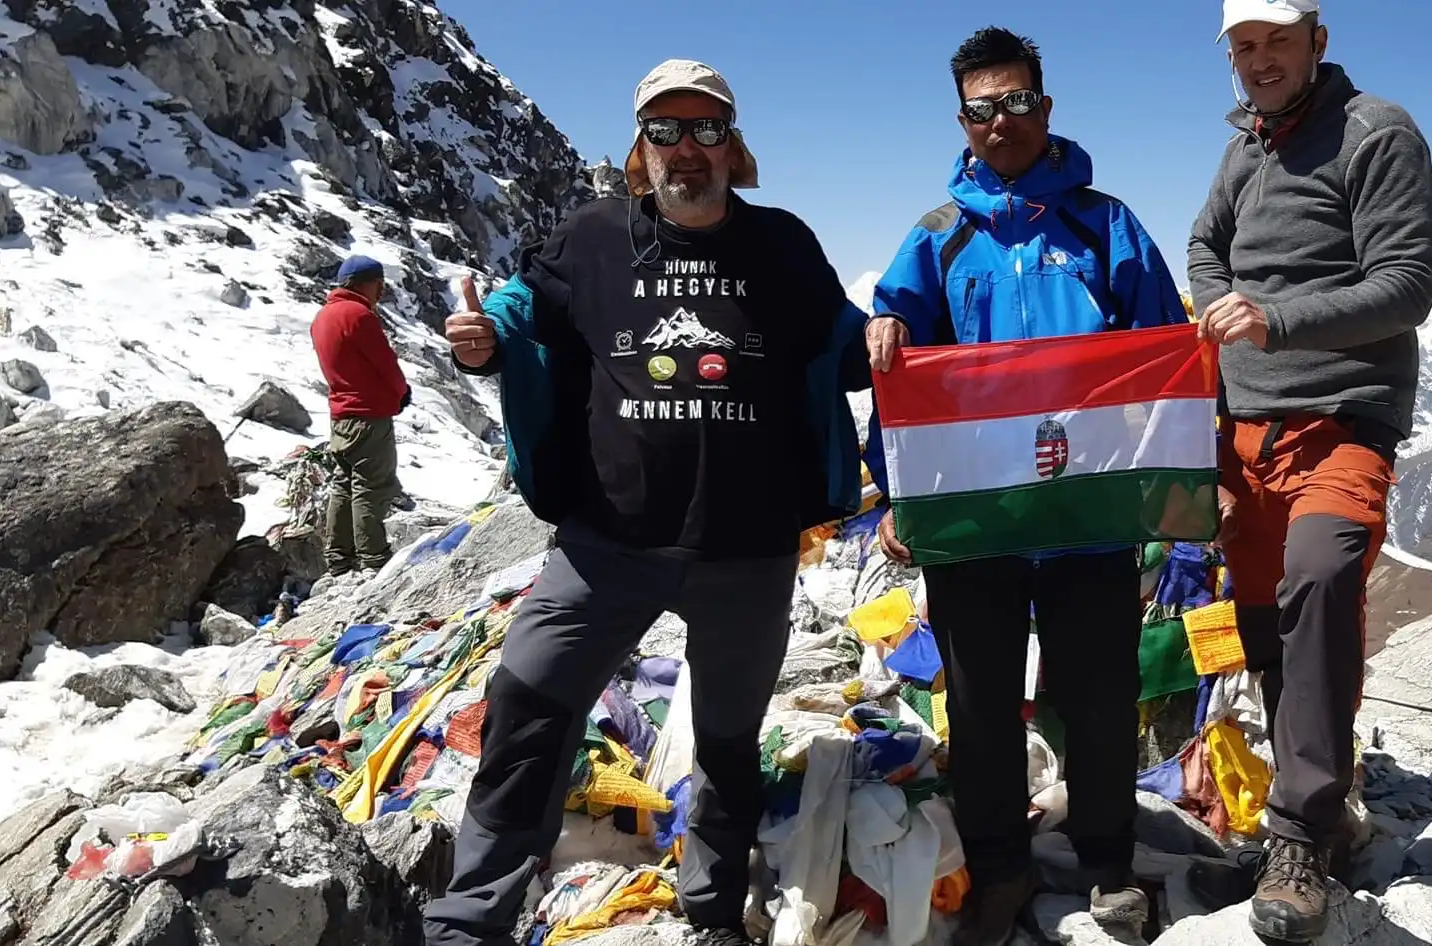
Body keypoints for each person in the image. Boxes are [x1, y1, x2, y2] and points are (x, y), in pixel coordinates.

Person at [420, 59, 871, 946]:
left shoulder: (782, 244)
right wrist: (480, 343)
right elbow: (519, 313)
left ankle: (710, 906)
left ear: (733, 145)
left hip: (747, 550)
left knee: (730, 740)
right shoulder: (590, 237)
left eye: (705, 129)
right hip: (605, 546)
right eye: (664, 131)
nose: (685, 149)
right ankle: (470, 921)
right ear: (640, 148)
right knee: (527, 703)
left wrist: (893, 331)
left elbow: (848, 347)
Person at [861, 26, 1190, 943]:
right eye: (980, 108)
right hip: (978, 513)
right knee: (980, 698)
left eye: (1015, 102)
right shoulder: (936, 237)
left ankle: (1107, 860)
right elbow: (900, 373)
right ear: (961, 120)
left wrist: (1167, 483)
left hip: (1088, 506)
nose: (999, 121)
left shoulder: (1106, 223)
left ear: (1045, 109)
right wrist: (895, 493)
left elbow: (1161, 359)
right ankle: (999, 865)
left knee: (1099, 690)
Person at [1186, 0, 1432, 940]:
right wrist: (1222, 302)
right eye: (1243, 47)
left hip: (1344, 417)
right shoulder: (1244, 147)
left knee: (1325, 577)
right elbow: (1205, 246)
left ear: (1316, 42)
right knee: (1264, 623)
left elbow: (1406, 285)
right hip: (1243, 424)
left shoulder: (1378, 134)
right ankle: (1318, 780)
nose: (1259, 60)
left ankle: (1301, 839)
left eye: (1276, 42)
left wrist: (1272, 320)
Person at [309, 254, 411, 576]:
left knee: (343, 482)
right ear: (361, 284)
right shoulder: (359, 316)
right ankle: (374, 559)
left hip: (341, 415)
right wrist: (401, 393)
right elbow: (385, 363)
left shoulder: (322, 317)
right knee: (372, 486)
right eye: (377, 284)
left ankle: (338, 559)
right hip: (368, 415)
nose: (380, 292)